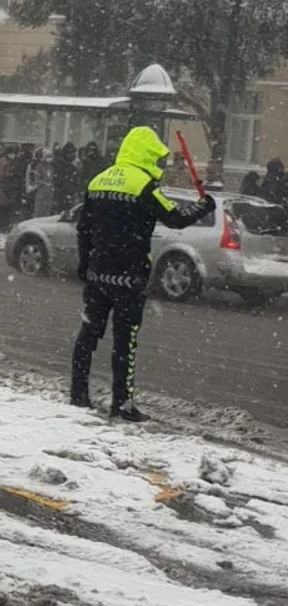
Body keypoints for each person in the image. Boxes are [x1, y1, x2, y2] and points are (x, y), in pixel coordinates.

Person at [71, 126, 215, 422]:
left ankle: (78, 395)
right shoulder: (143, 187)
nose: (160, 166)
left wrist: (85, 264)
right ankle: (121, 404)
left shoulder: (98, 180)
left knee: (88, 335)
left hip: (98, 274)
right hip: (129, 276)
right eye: (157, 159)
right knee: (125, 342)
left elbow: (83, 228)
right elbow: (175, 218)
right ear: (146, 155)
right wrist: (203, 207)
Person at [0, 144, 24, 231]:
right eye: (12, 153)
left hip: (10, 187)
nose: (13, 155)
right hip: (3, 187)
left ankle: (4, 225)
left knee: (7, 208)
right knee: (2, 207)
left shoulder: (12, 161)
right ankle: (0, 225)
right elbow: (1, 174)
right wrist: (12, 174)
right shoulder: (3, 161)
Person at [51, 142, 78, 214]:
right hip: (63, 192)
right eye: (72, 153)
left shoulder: (64, 163)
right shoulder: (64, 165)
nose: (74, 155)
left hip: (64, 192)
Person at [29, 146, 54, 218]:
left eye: (51, 157)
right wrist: (45, 184)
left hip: (50, 192)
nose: (50, 159)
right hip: (42, 191)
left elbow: (52, 178)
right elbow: (37, 179)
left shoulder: (51, 167)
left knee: (48, 209)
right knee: (39, 210)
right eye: (48, 157)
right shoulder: (40, 166)